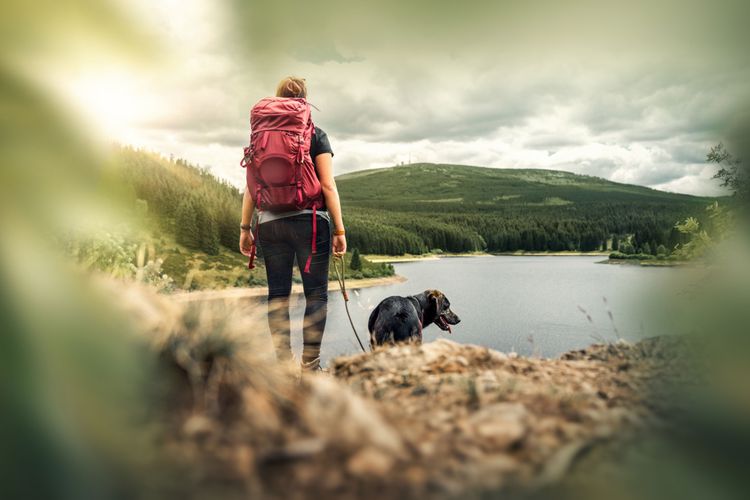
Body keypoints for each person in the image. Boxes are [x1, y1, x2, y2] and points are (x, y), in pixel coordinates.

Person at [239, 76, 347, 371]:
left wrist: (244, 228)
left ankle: (283, 368)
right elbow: (328, 186)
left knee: (277, 297)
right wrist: (339, 230)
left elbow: (250, 185)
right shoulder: (316, 135)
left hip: (270, 225)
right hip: (310, 224)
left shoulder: (259, 137)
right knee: (316, 295)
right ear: (304, 100)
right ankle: (310, 367)